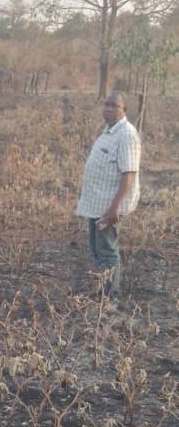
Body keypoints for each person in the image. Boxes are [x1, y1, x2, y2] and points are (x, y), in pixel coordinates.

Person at [76, 92, 141, 298]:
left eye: (114, 106)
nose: (108, 109)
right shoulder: (108, 132)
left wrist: (115, 208)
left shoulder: (127, 134)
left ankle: (110, 299)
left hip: (108, 206)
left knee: (107, 251)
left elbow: (128, 174)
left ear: (124, 110)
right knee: (97, 249)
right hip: (97, 203)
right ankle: (104, 292)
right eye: (106, 105)